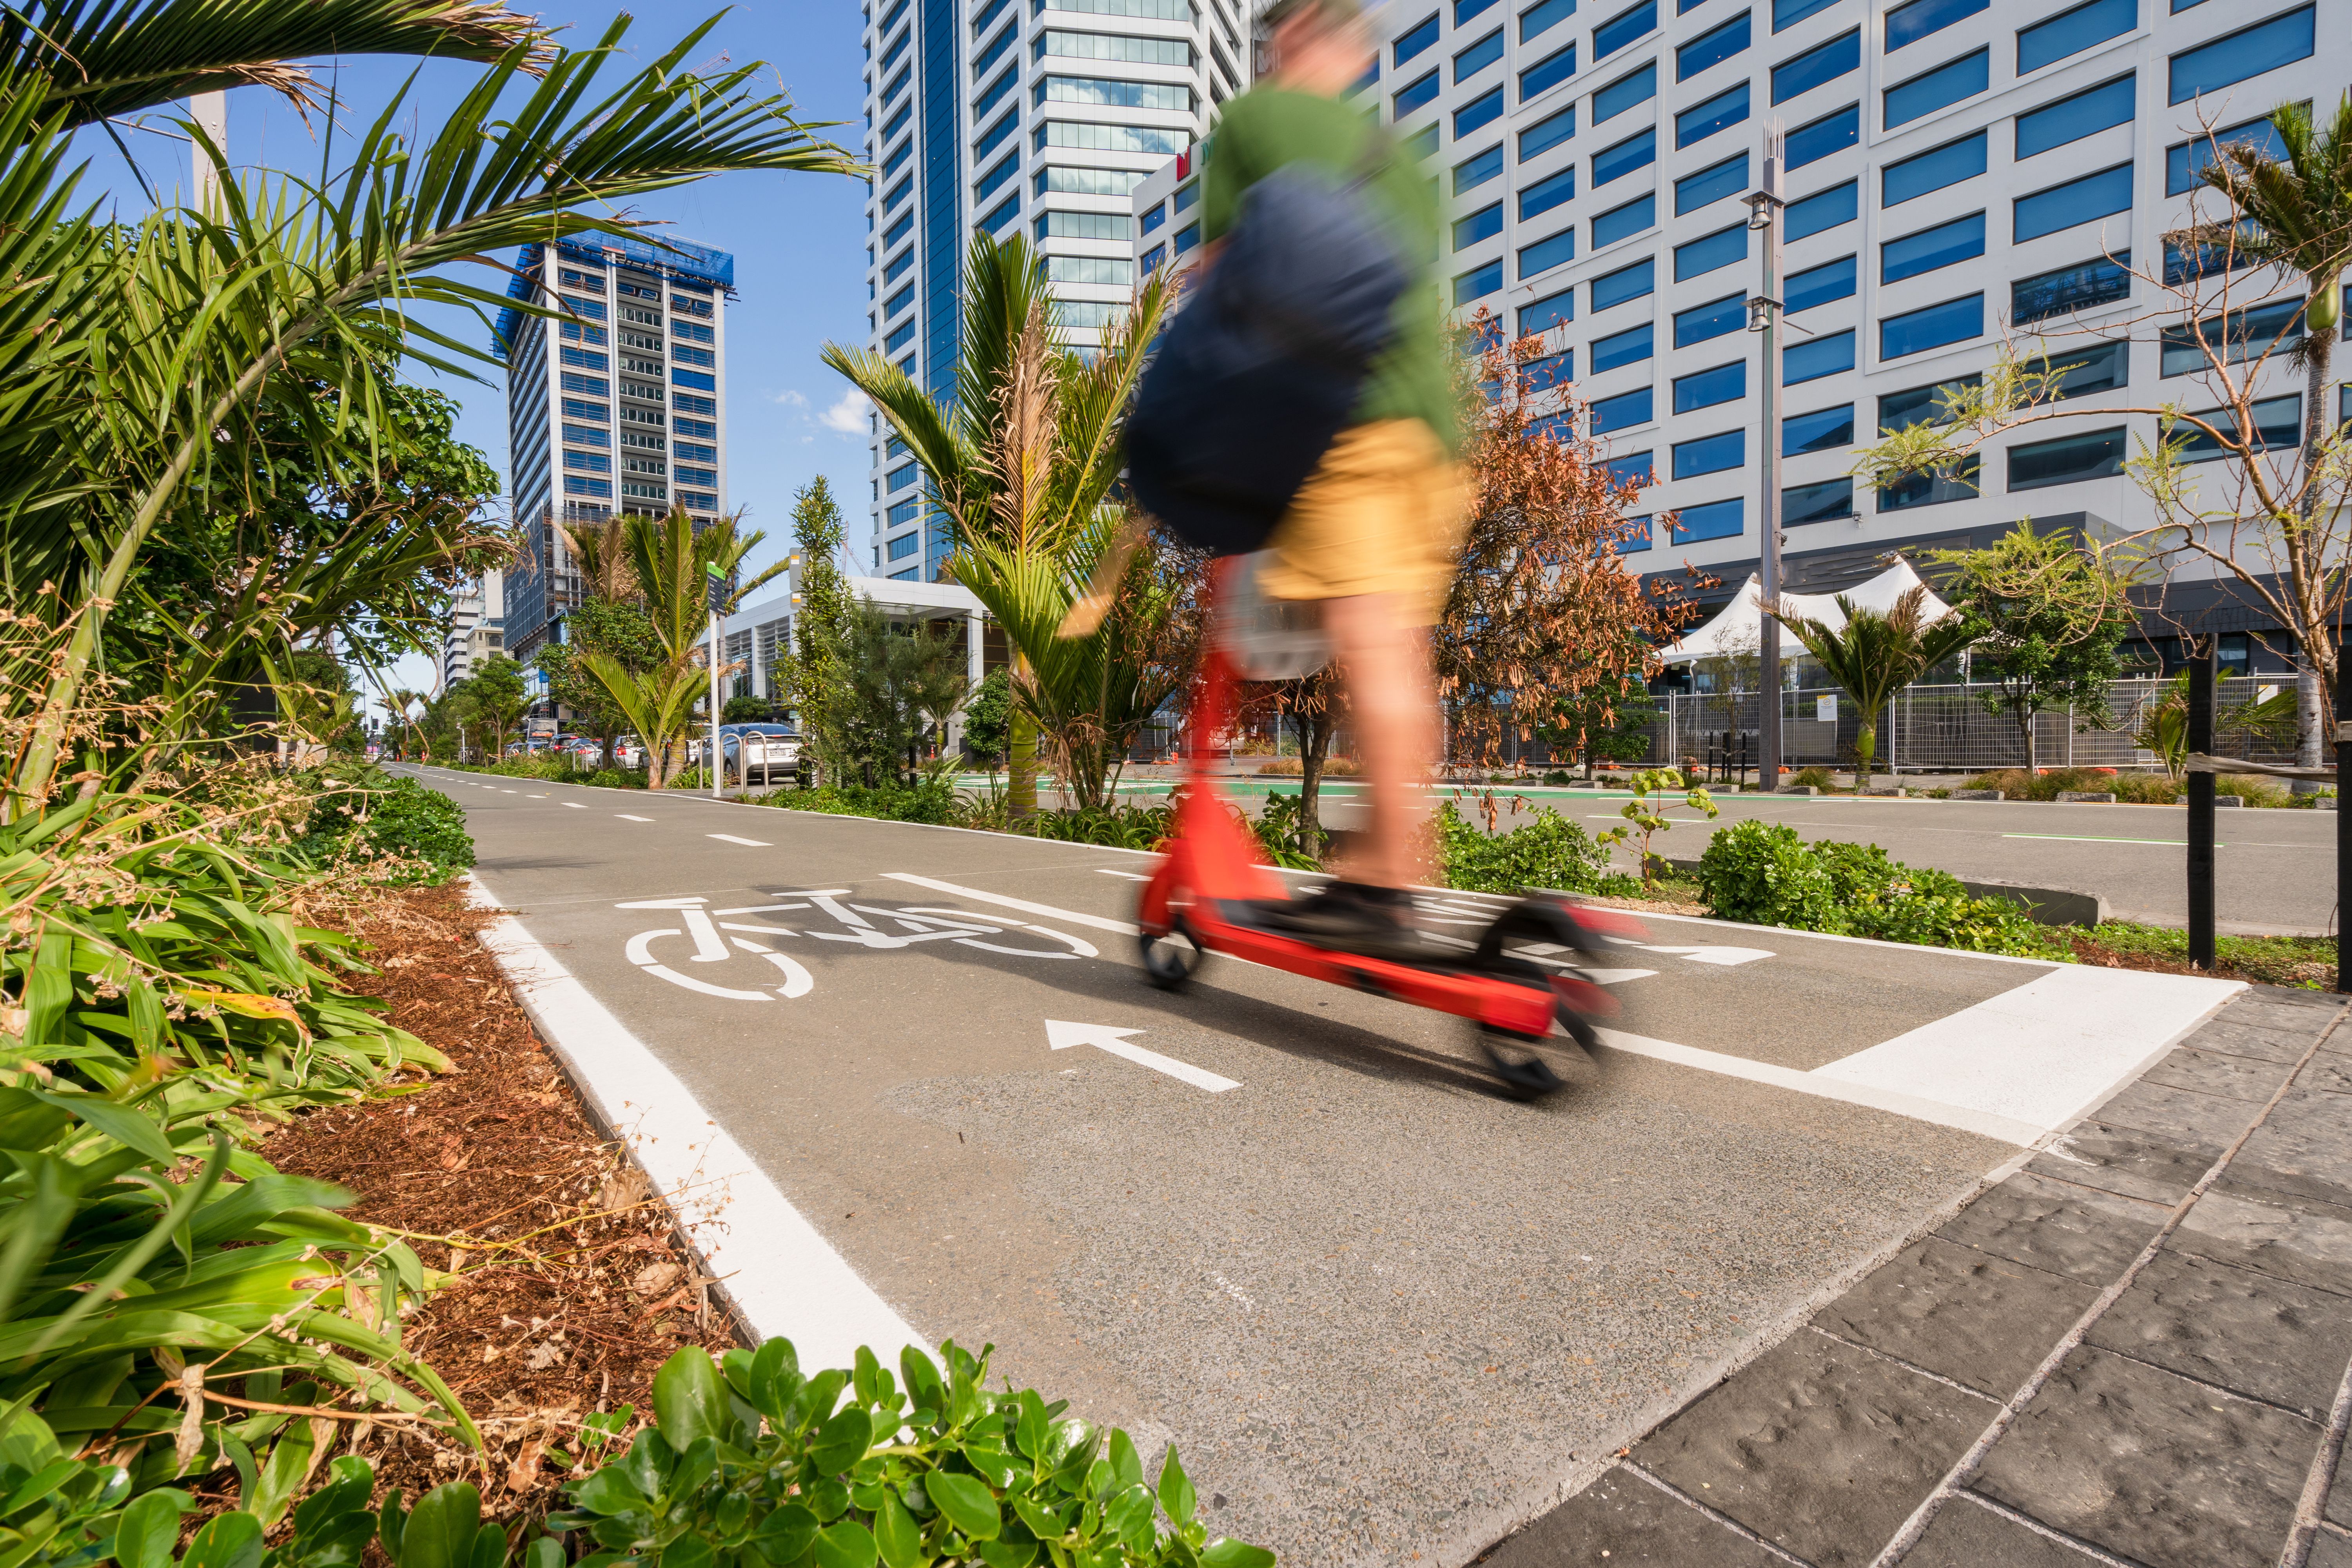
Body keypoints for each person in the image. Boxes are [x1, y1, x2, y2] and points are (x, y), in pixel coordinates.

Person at [1200, 0, 1466, 953]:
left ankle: (1386, 887)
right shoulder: (1398, 156)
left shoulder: (1253, 123)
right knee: (1395, 644)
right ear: (1352, 48)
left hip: (1337, 425)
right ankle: (1384, 863)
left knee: (1368, 642)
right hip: (1429, 434)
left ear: (1287, 34)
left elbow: (1222, 283)